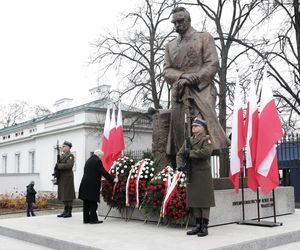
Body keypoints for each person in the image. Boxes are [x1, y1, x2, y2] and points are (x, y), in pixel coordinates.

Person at [164, 7, 230, 159]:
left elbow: (212, 63)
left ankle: (203, 157)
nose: (177, 25)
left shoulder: (204, 38)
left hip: (201, 88)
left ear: (188, 20)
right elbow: (167, 70)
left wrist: (195, 77)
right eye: (174, 23)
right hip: (180, 90)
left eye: (180, 21)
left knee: (201, 126)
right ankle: (182, 162)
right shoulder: (170, 45)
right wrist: (183, 77)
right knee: (179, 128)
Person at [176, 117, 215, 237]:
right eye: (193, 126)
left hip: (203, 173)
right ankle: (197, 226)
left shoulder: (206, 139)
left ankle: (204, 227)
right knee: (195, 200)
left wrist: (191, 153)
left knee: (204, 200)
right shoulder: (188, 140)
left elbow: (206, 152)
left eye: (196, 126)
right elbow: (180, 154)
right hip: (191, 172)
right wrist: (181, 166)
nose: (193, 127)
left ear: (202, 128)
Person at [78, 149, 114, 224]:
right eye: (101, 157)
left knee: (86, 203)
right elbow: (103, 171)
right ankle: (93, 220)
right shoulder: (97, 161)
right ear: (99, 155)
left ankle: (86, 219)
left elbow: (93, 172)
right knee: (93, 202)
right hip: (92, 185)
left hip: (85, 184)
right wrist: (112, 179)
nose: (101, 158)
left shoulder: (89, 160)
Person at [56, 140, 76, 218]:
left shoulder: (70, 155)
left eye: (64, 146)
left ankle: (69, 211)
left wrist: (59, 166)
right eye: (62, 146)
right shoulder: (62, 155)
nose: (62, 147)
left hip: (67, 177)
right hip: (62, 176)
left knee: (68, 194)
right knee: (63, 194)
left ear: (68, 147)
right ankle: (65, 210)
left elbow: (69, 165)